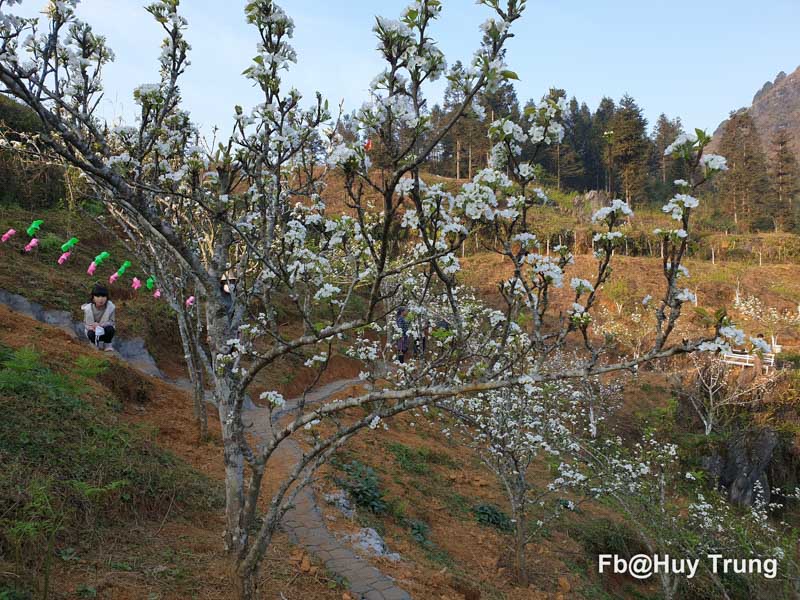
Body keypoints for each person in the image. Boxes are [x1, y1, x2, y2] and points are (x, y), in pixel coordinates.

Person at [82, 284, 116, 351]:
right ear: (93, 298)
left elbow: (112, 322)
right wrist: (92, 327)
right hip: (94, 331)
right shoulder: (88, 309)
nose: (101, 299)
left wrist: (100, 325)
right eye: (97, 296)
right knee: (90, 333)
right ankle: (95, 344)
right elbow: (85, 324)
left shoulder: (111, 307)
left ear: (107, 298)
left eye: (103, 296)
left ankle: (107, 344)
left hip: (104, 330)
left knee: (110, 329)